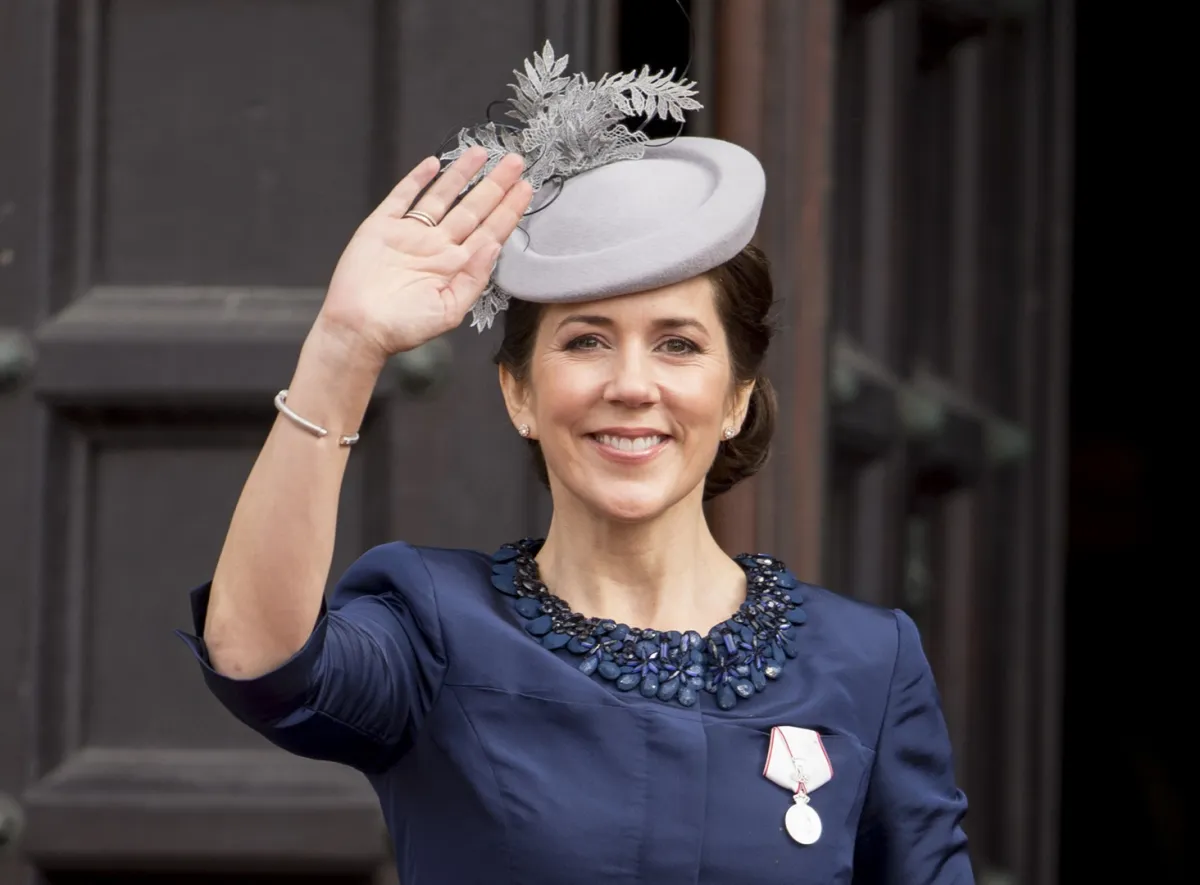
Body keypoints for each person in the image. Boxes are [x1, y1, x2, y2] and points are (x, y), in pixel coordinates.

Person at [178, 43, 973, 884]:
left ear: (737, 395)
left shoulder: (867, 661)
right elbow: (256, 660)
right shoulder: (437, 627)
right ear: (520, 392)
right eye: (586, 340)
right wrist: (344, 348)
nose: (631, 385)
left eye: (678, 344)